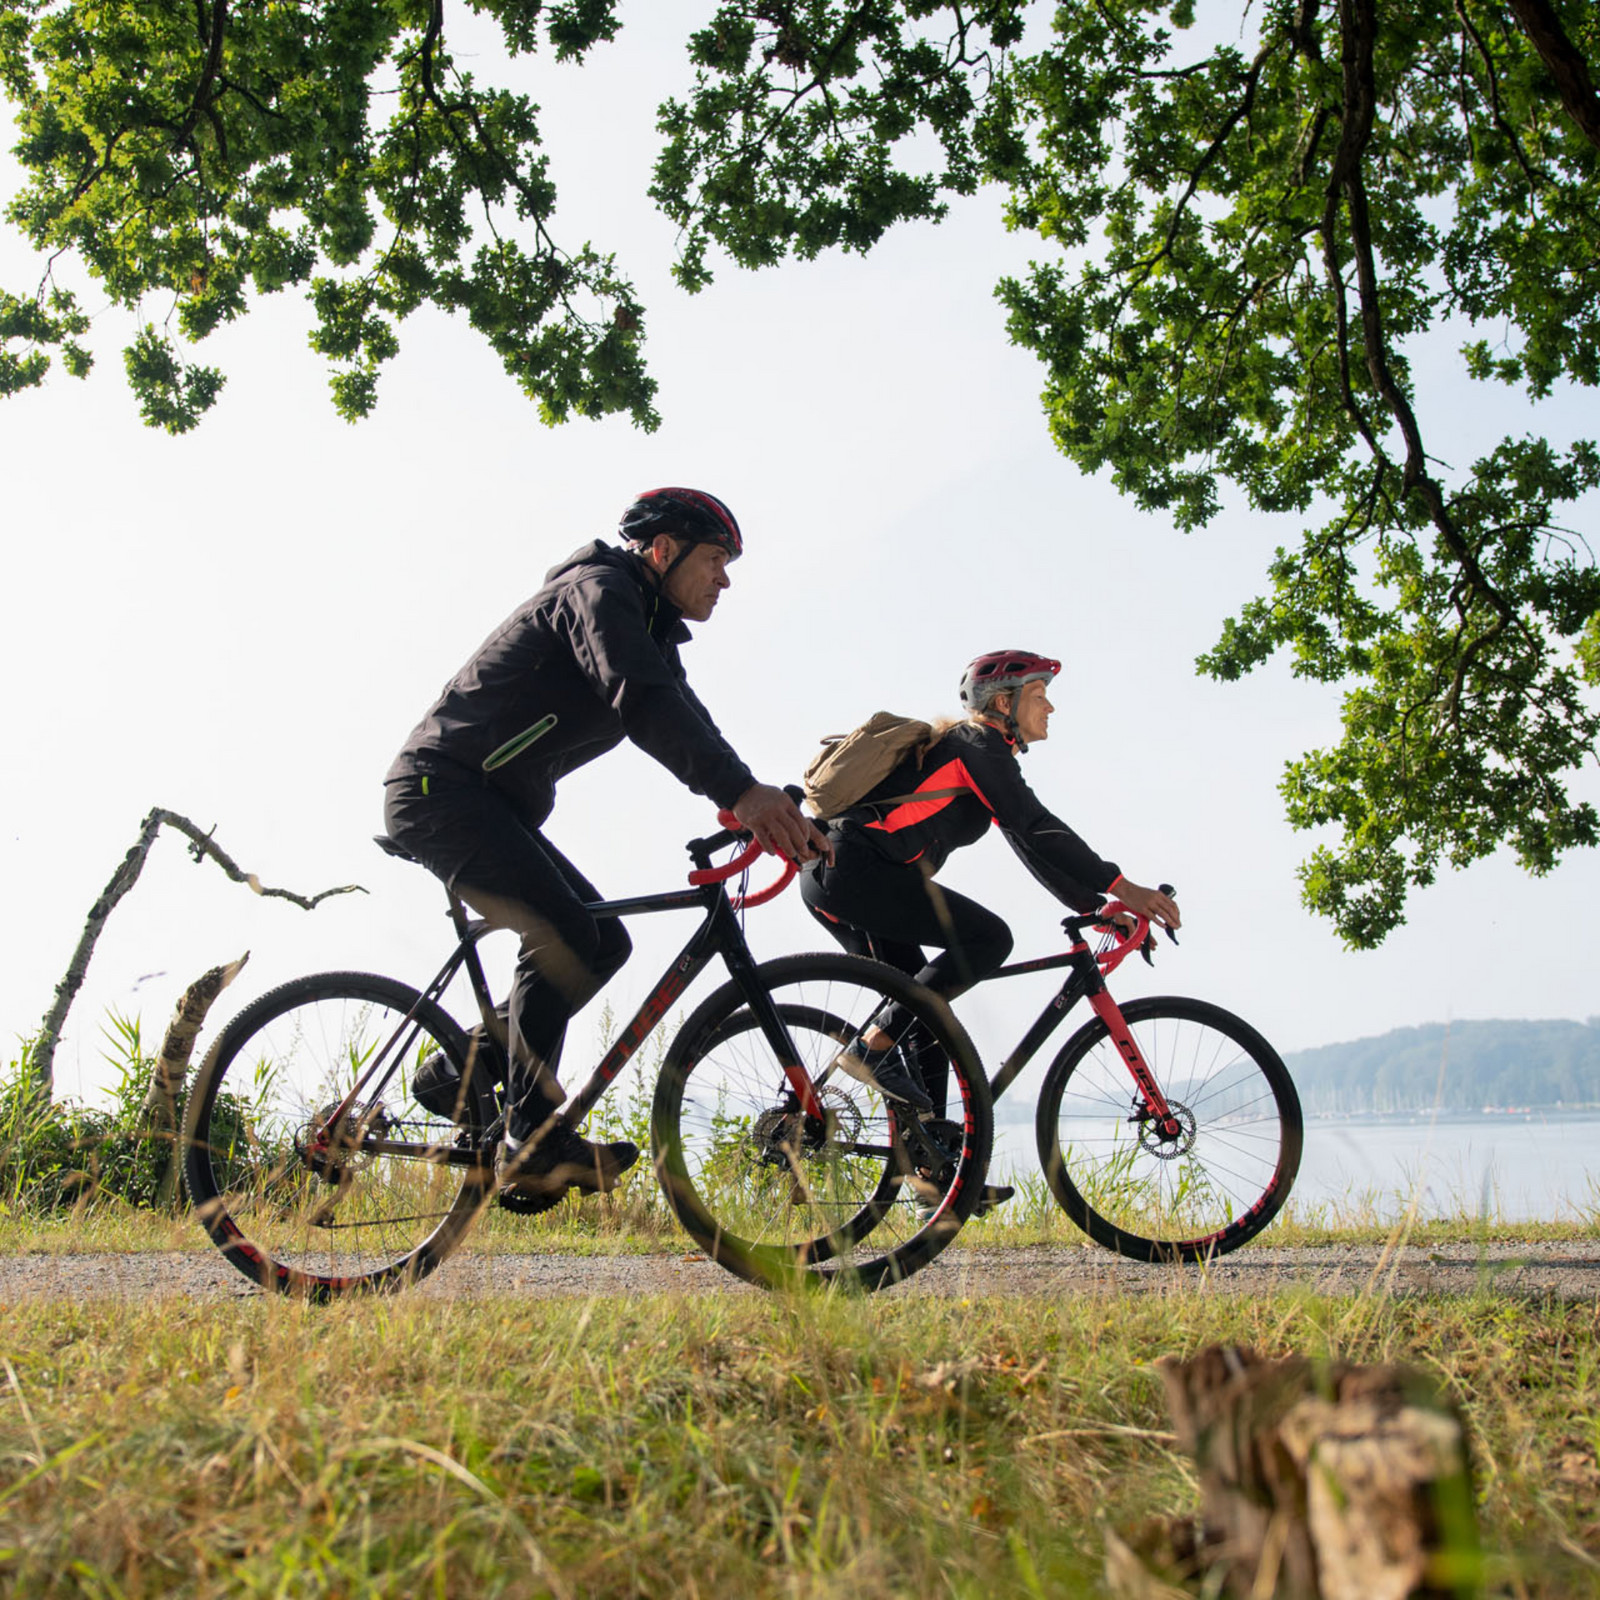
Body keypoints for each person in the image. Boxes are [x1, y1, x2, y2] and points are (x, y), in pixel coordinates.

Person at [383, 488, 831, 1204]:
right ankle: (531, 1140)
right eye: (716, 559)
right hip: (442, 792)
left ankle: (457, 1075)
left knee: (604, 943)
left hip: (485, 802)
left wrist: (755, 800)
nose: (725, 579)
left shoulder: (646, 625)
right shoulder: (598, 594)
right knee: (563, 934)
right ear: (662, 551)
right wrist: (742, 794)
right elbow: (643, 699)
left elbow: (682, 713)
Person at [800, 649, 1180, 1212]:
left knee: (926, 1016)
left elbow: (1026, 838)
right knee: (987, 940)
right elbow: (1035, 823)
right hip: (853, 872)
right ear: (1004, 703)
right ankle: (871, 1049)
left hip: (850, 876)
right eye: (1039, 694)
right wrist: (1123, 887)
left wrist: (1095, 902)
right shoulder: (978, 744)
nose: (1050, 706)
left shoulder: (976, 753)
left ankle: (935, 1174)